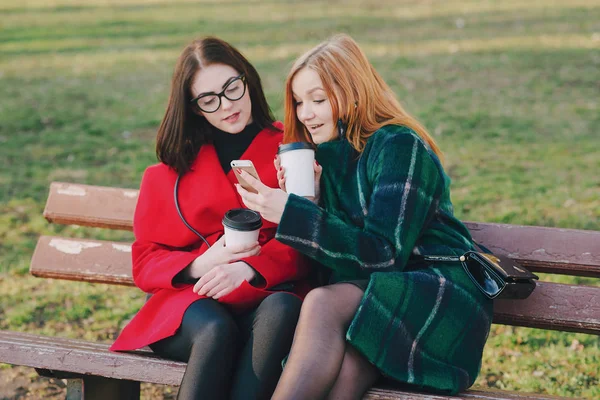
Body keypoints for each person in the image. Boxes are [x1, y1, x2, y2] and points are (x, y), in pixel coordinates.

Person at [235, 34, 493, 399]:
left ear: (354, 93)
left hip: (434, 286)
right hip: (377, 295)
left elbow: (384, 255)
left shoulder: (399, 146)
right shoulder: (325, 158)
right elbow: (343, 267)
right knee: (348, 366)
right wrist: (310, 201)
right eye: (298, 102)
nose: (305, 113)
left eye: (318, 99)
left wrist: (295, 215)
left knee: (322, 303)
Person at [110, 37, 311, 400]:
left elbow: (308, 235)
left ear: (247, 79)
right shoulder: (170, 170)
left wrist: (250, 268)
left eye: (232, 87)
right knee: (216, 331)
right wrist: (201, 263)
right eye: (209, 99)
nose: (227, 105)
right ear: (195, 108)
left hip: (265, 293)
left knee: (284, 308)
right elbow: (145, 261)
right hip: (193, 303)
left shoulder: (292, 149)